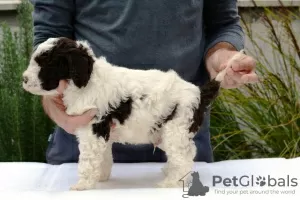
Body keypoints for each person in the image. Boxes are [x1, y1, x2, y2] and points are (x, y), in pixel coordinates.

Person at [32, 0, 258, 165]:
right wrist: (55, 103)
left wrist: (220, 55)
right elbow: (50, 36)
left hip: (178, 133)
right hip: (83, 144)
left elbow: (223, 24)